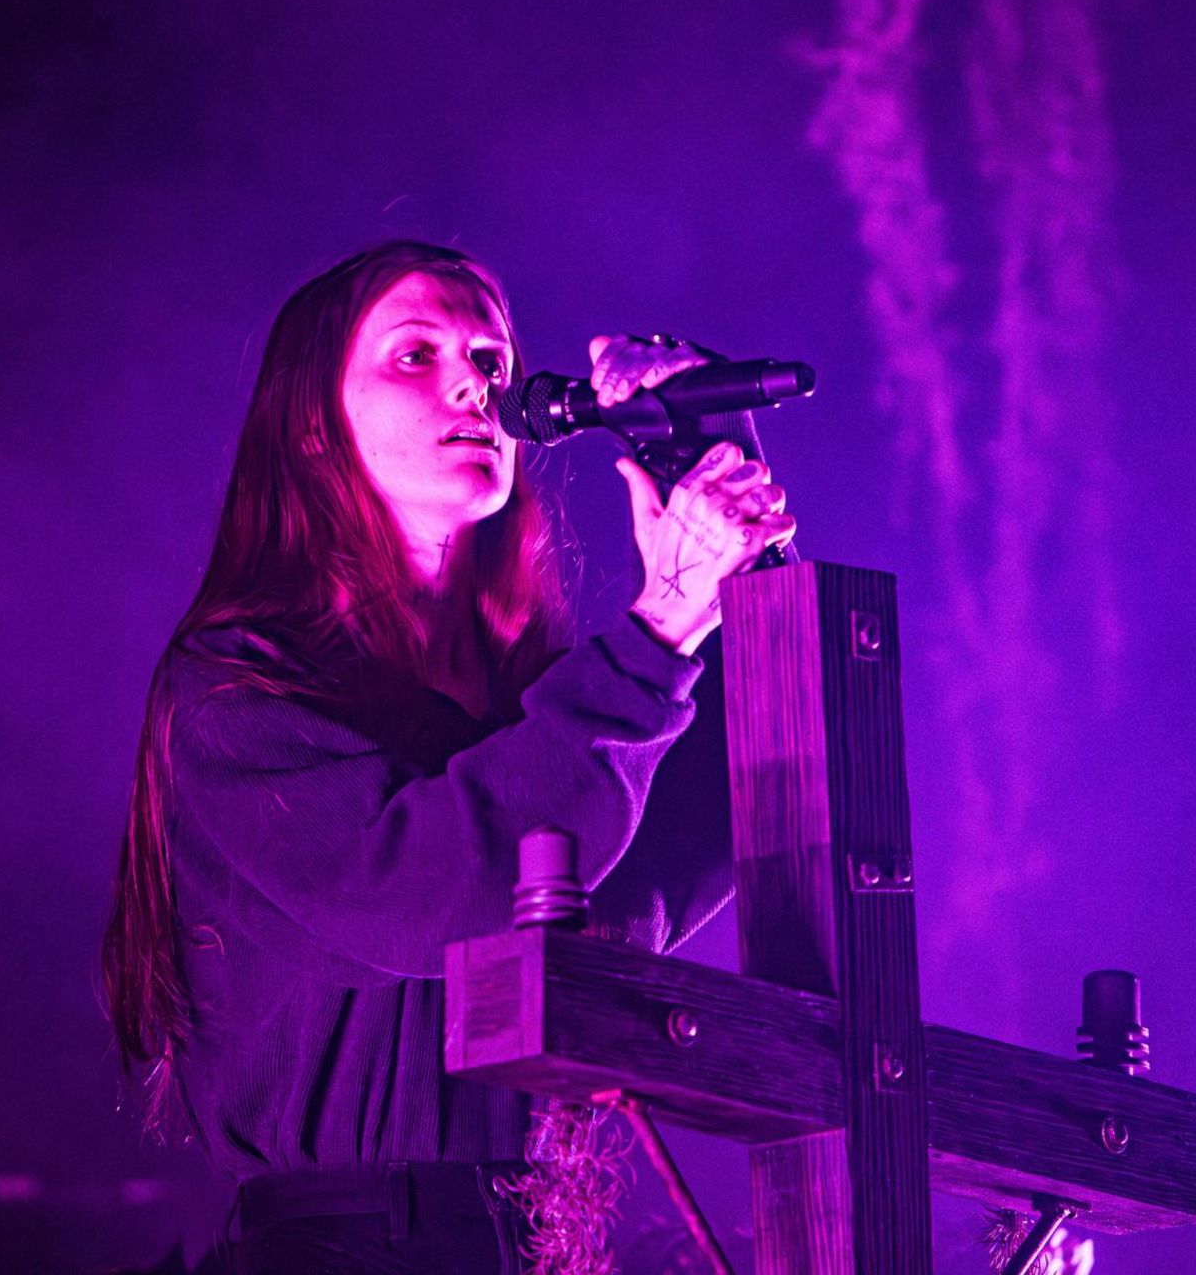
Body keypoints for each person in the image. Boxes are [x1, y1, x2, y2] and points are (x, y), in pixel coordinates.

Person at [102, 240, 796, 1273]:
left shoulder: (535, 720)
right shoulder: (236, 691)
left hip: (527, 1240)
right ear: (311, 426)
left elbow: (721, 815)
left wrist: (712, 472)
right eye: (414, 356)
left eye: (492, 360)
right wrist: (654, 635)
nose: (475, 382)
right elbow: (449, 888)